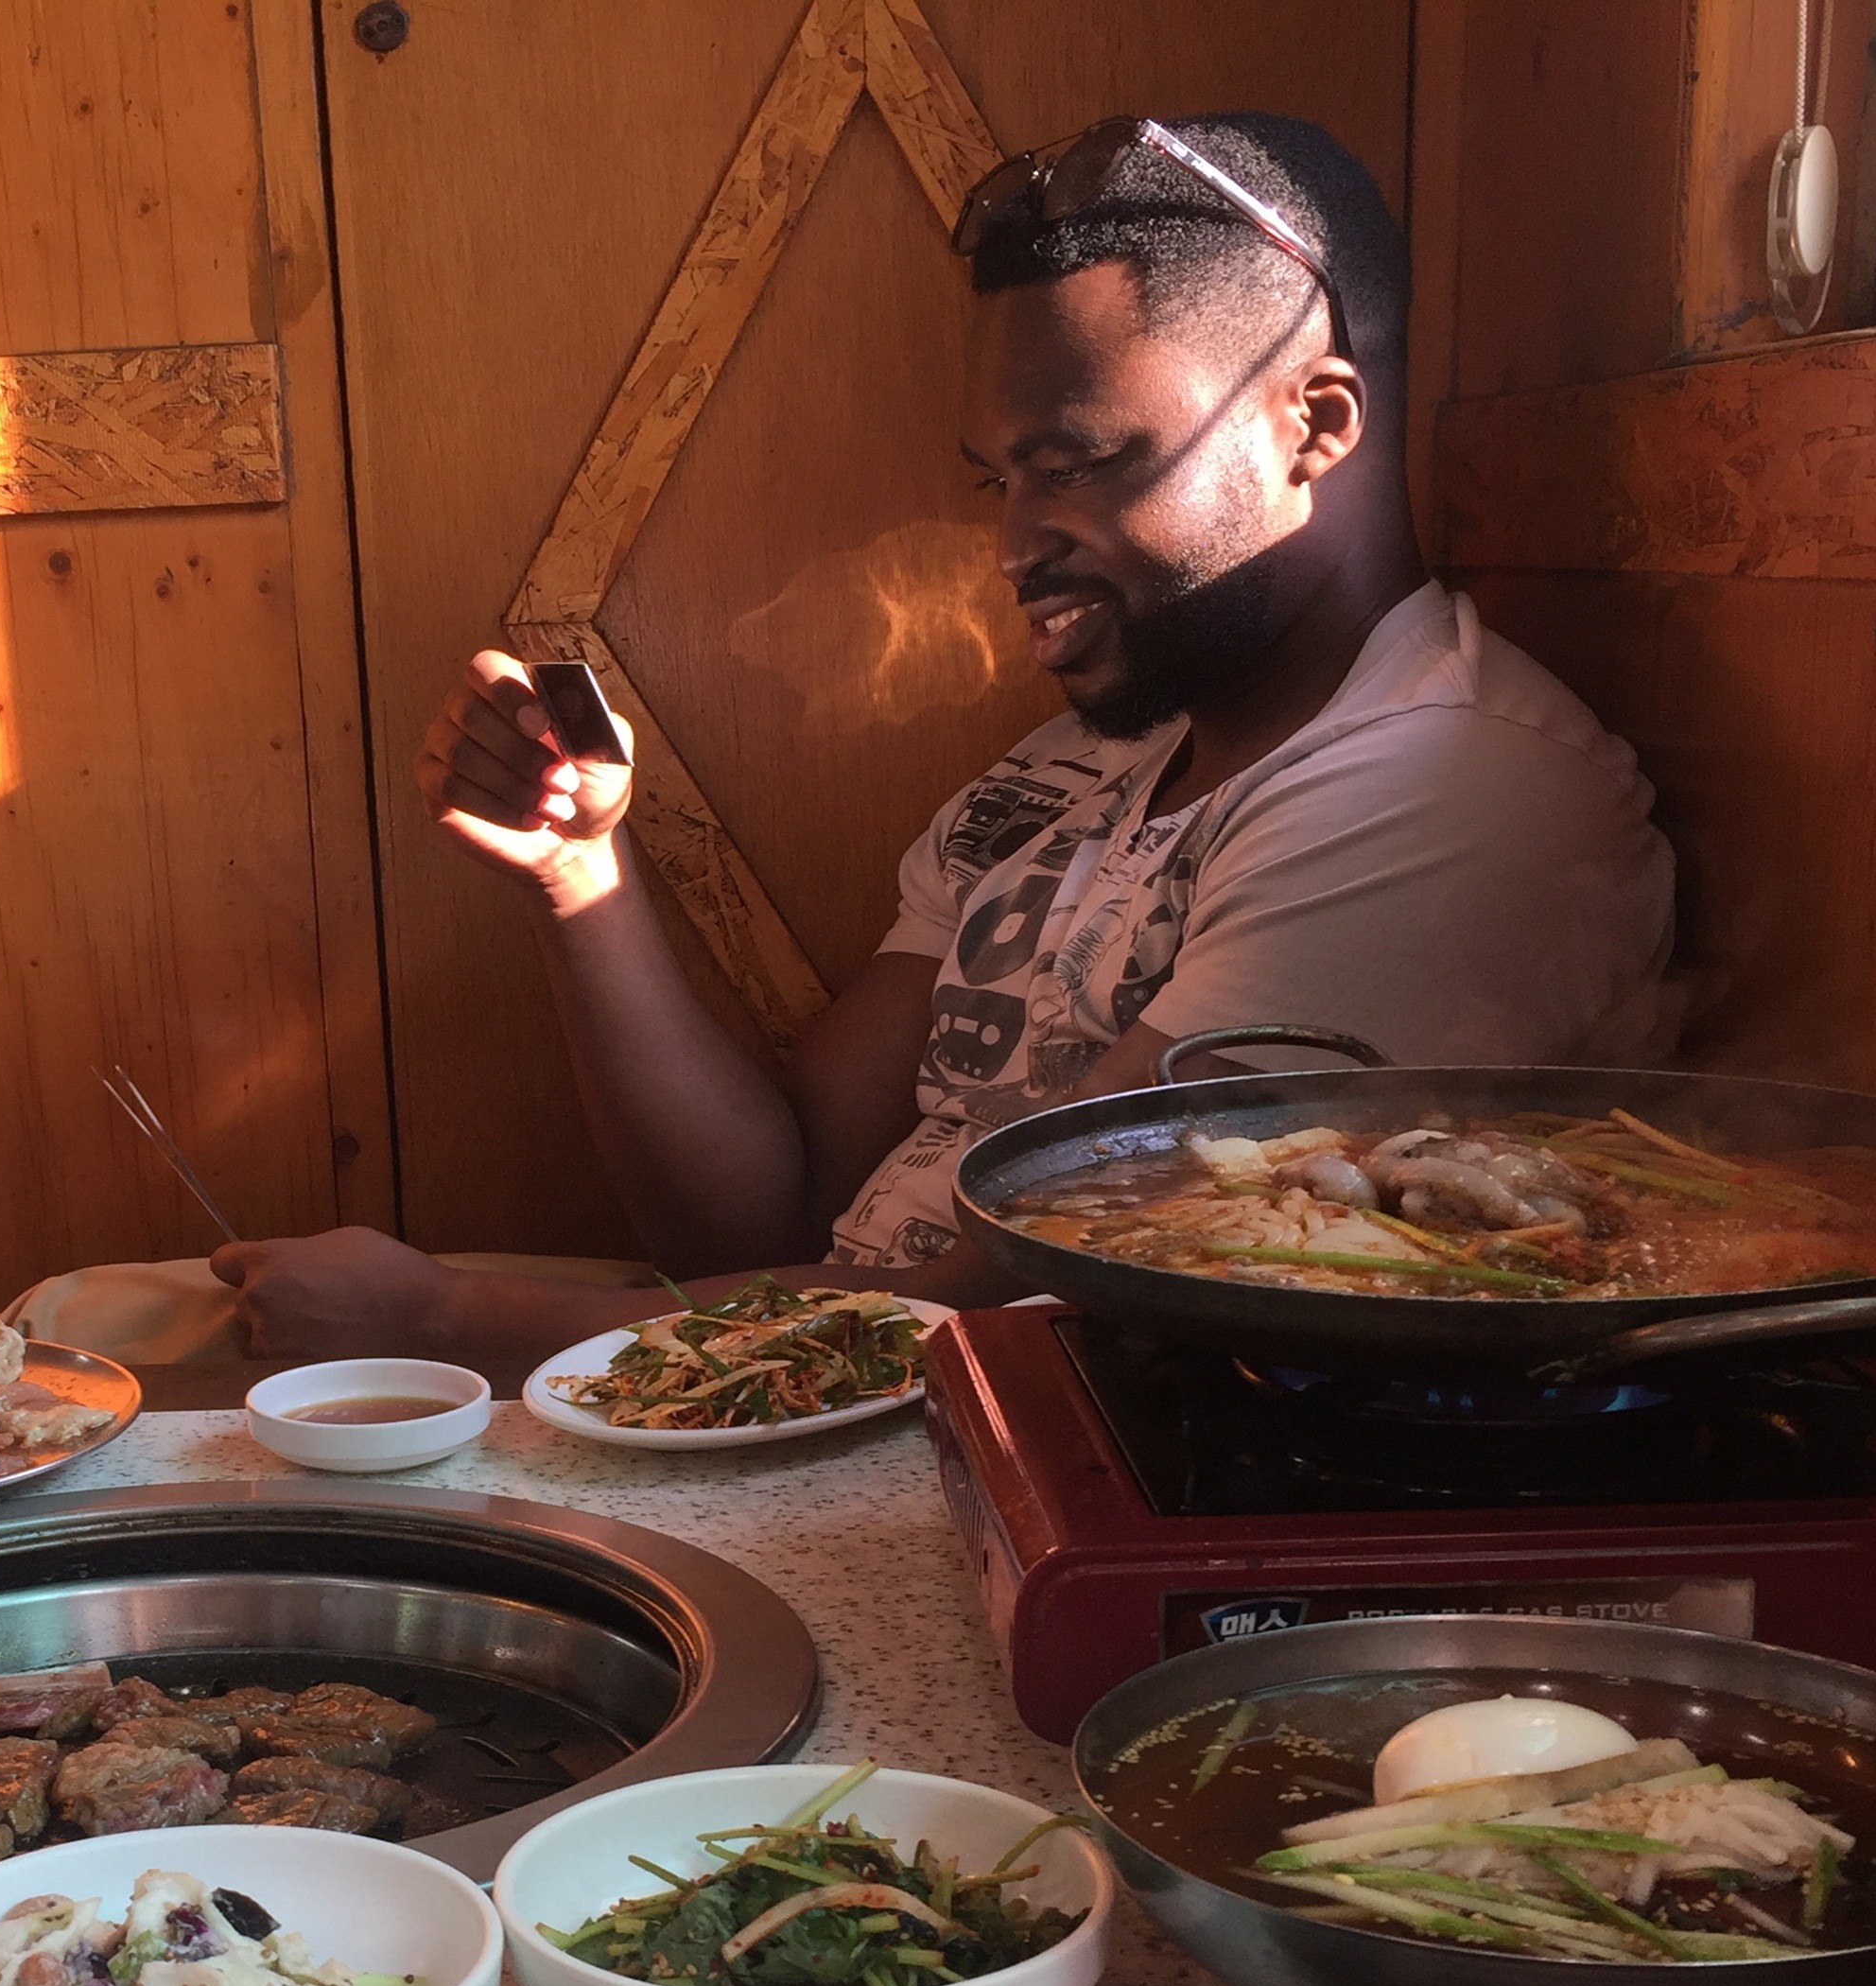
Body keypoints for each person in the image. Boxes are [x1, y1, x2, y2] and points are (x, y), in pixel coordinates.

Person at [207, 113, 1676, 1369]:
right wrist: (578, 878)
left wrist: (454, 1322)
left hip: (984, 1439)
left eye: (1079, 465)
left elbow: (1022, 1296)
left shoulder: (1441, 789)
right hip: (809, 1392)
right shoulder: (1076, 770)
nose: (1015, 547)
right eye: (995, 482)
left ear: (1315, 422)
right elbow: (765, 1208)